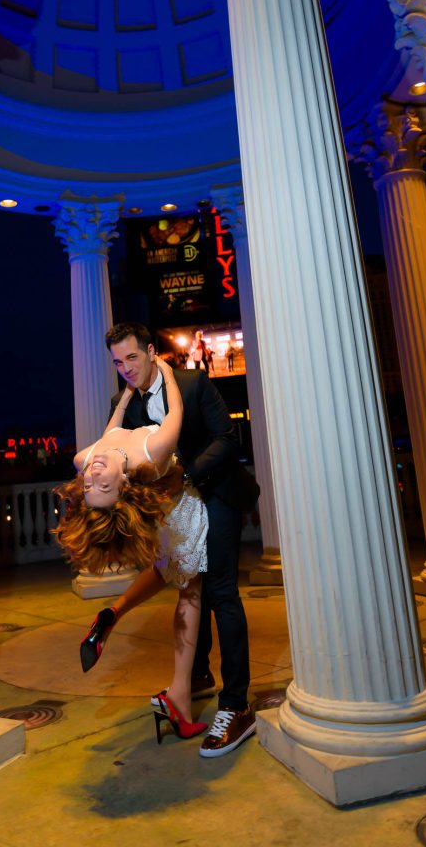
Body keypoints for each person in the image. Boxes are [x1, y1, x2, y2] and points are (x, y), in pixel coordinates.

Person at [104, 321, 259, 758]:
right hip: (176, 507)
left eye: (132, 357)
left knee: (222, 592)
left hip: (216, 492)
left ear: (152, 351)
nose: (126, 369)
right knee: (193, 584)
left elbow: (226, 440)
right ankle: (199, 676)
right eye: (118, 362)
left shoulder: (192, 382)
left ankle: (236, 706)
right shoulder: (123, 403)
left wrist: (185, 476)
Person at [56, 354, 208, 743]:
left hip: (159, 507)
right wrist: (169, 373)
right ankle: (179, 695)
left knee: (163, 569)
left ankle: (113, 611)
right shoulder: (151, 452)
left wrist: (126, 395)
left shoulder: (83, 459)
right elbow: (176, 410)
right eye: (102, 485)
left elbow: (110, 430)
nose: (92, 478)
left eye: (90, 488)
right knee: (189, 591)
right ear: (122, 484)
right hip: (182, 504)